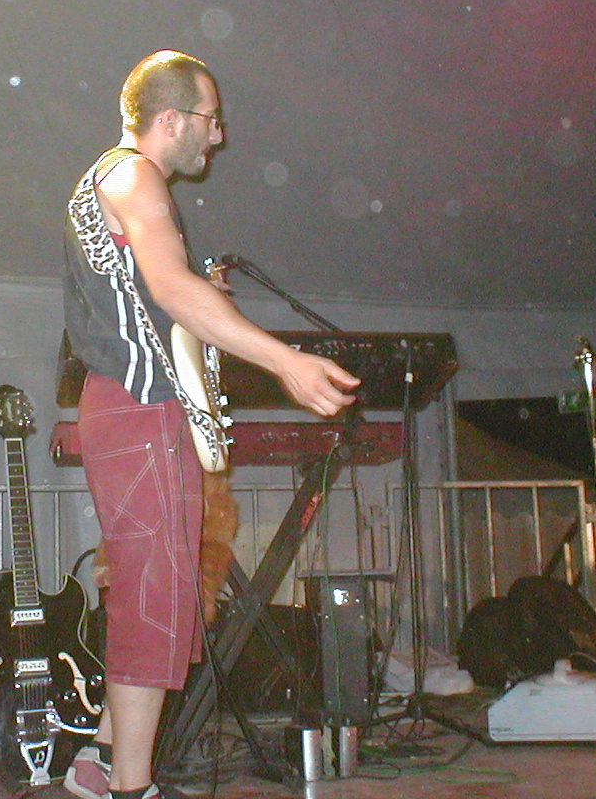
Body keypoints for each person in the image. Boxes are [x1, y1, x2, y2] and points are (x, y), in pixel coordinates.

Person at [62, 50, 359, 799]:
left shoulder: (110, 179)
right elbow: (167, 288)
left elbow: (152, 299)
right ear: (171, 120)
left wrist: (201, 298)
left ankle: (102, 762)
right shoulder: (136, 176)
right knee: (151, 597)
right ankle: (130, 788)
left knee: (157, 590)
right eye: (210, 118)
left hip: (128, 405)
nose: (219, 135)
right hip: (139, 408)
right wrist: (284, 361)